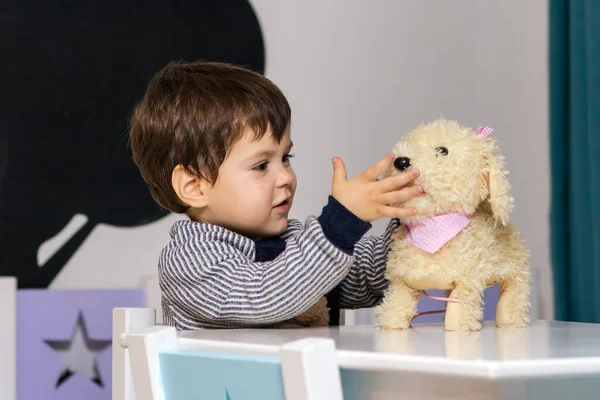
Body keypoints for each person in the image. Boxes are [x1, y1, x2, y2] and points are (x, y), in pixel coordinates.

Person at [129, 61, 423, 330]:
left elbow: (370, 278)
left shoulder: (298, 242)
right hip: (230, 389)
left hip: (301, 387)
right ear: (195, 186)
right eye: (261, 165)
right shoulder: (189, 260)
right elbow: (265, 294)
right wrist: (340, 225)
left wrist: (413, 221)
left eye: (285, 157)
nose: (286, 176)